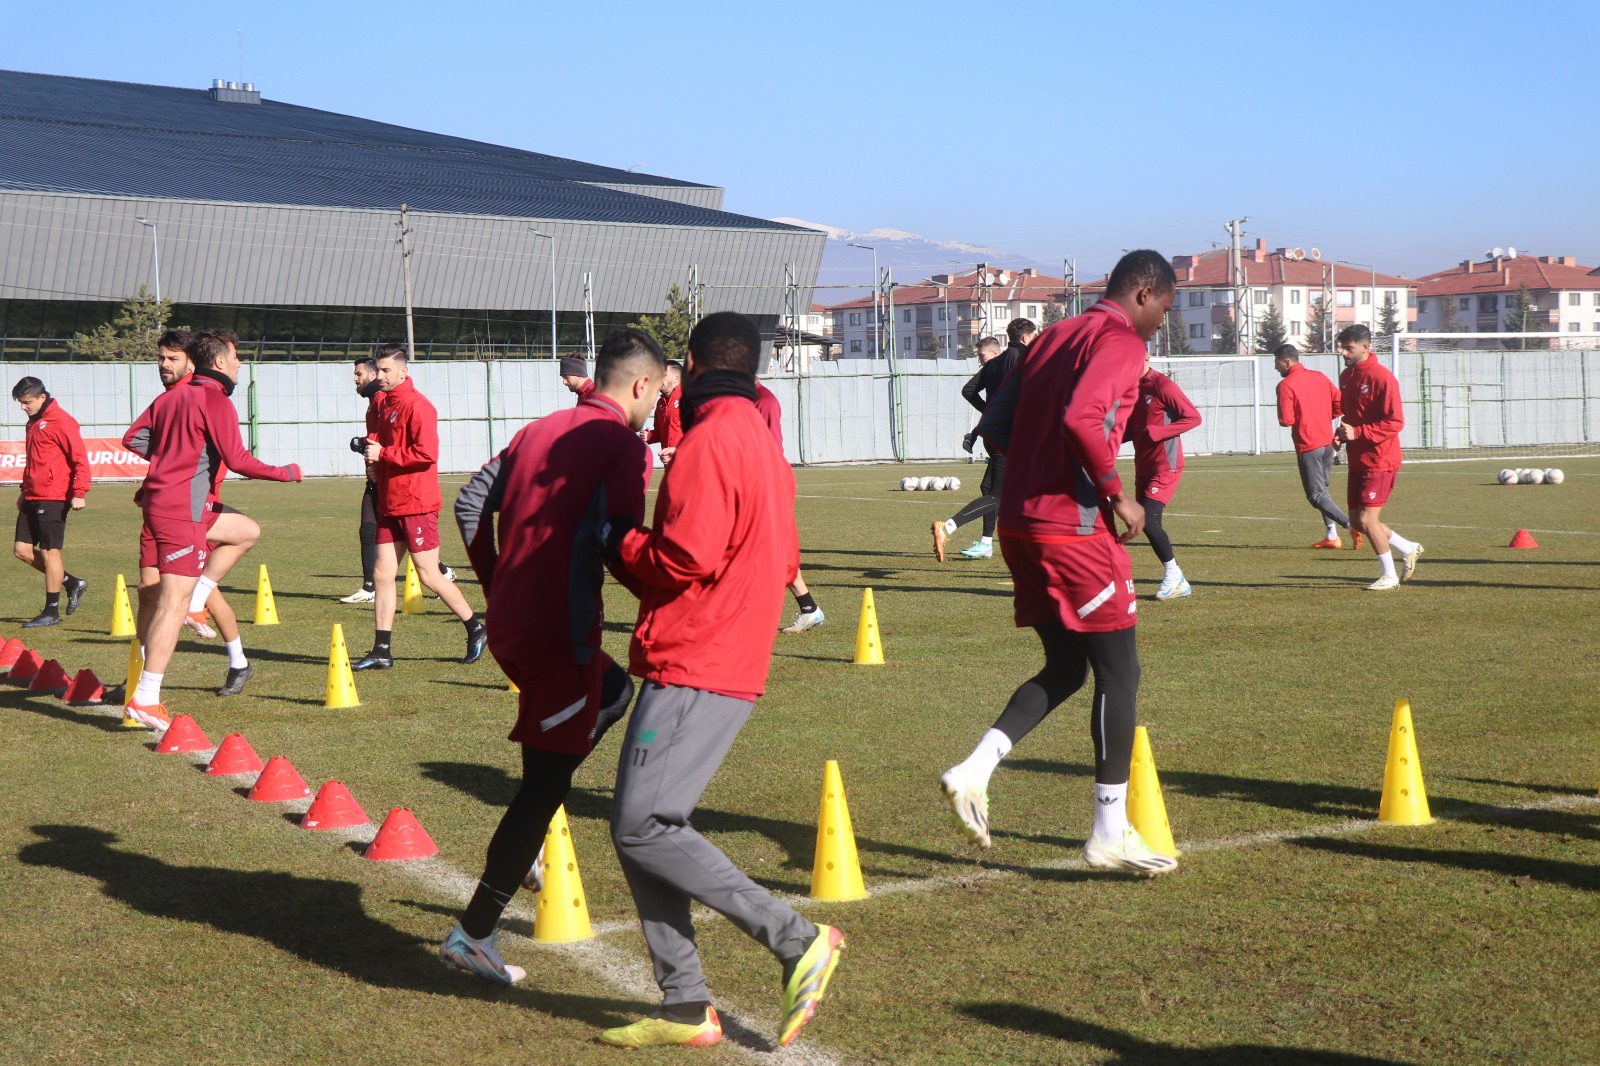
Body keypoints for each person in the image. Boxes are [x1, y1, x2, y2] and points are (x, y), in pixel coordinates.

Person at [599, 311, 844, 1050]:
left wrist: (616, 539)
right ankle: (684, 1005)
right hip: (723, 650)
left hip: (698, 654)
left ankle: (795, 938)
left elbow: (684, 557)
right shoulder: (761, 441)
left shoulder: (711, 440)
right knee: (641, 825)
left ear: (695, 369)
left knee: (643, 824)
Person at [938, 249, 1179, 876]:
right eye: (1164, 310)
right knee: (1120, 674)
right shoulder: (1120, 341)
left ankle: (975, 768)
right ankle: (1107, 832)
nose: (1160, 325)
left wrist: (1043, 465)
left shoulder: (1052, 337)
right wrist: (1114, 491)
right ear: (1145, 294)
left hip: (1019, 520)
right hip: (1070, 531)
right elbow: (1081, 417)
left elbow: (996, 424)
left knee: (1069, 665)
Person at [439, 328, 663, 986]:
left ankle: (524, 846)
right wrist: (669, 598)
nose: (656, 407)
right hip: (555, 635)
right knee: (542, 787)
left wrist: (495, 581)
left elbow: (469, 501)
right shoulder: (621, 445)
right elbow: (620, 542)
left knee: (615, 693)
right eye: (659, 392)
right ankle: (473, 934)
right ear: (642, 384)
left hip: (516, 623)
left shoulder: (537, 429)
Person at [121, 329, 303, 728]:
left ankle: (198, 600)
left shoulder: (172, 397)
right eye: (237, 357)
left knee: (247, 531)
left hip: (168, 504)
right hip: (180, 511)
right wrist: (286, 473)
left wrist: (171, 459)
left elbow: (138, 438)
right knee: (170, 604)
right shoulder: (213, 398)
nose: (240, 364)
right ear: (219, 362)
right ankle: (146, 697)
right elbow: (239, 460)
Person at [109, 331, 245, 704]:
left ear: (191, 362)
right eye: (161, 358)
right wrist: (170, 456)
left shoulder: (203, 396)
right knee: (148, 594)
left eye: (172, 359)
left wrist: (179, 462)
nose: (164, 365)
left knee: (197, 593)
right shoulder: (169, 399)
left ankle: (238, 660)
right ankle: (137, 678)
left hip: (194, 509)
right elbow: (133, 438)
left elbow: (227, 455)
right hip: (160, 508)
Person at [353, 344, 486, 670]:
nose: (379, 376)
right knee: (382, 573)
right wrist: (374, 465)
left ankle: (476, 627)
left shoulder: (418, 406)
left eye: (385, 370)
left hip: (417, 503)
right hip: (390, 501)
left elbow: (426, 454)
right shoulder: (384, 406)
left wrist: (383, 456)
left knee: (428, 574)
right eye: (377, 370)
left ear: (403, 372)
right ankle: (382, 650)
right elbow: (384, 449)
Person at [339, 356, 460, 606]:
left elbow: (417, 451)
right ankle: (374, 598)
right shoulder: (377, 403)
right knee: (372, 534)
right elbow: (377, 439)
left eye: (359, 374)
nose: (355, 379)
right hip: (385, 477)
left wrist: (379, 458)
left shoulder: (391, 401)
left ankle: (472, 622)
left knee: (420, 566)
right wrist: (371, 460)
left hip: (404, 487)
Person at [932, 320, 1037, 561]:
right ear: (1025, 338)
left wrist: (988, 413)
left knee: (989, 488)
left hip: (991, 434)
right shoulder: (1025, 360)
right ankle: (948, 527)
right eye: (1034, 336)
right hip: (1012, 436)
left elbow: (969, 390)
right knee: (1003, 493)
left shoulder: (994, 363)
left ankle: (986, 542)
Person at [1336, 325, 1422, 590]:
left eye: (1348, 348)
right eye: (1341, 347)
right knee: (1355, 521)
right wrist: (1341, 433)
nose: (1343, 353)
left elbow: (1395, 422)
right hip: (1358, 458)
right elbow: (1351, 416)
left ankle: (1389, 576)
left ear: (1365, 347)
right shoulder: (1347, 376)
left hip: (1380, 459)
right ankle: (1407, 547)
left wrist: (1358, 431)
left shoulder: (1382, 378)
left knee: (1367, 520)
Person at [11, 376, 89, 627]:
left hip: (54, 496)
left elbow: (80, 459)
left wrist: (80, 492)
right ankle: (72, 582)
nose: (24, 407)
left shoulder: (62, 421)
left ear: (42, 397)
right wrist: (25, 491)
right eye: (21, 403)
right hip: (33, 495)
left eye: (27, 402)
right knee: (21, 551)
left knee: (49, 552)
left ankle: (50, 611)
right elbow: (33, 460)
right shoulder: (33, 422)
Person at [751, 379, 826, 634]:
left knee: (770, 551)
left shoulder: (764, 401)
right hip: (751, 482)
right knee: (767, 551)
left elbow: (769, 448)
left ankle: (807, 609)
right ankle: (809, 608)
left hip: (766, 482)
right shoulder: (742, 400)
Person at [1128, 355, 1201, 600]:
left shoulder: (1163, 385)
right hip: (1143, 466)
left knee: (1148, 519)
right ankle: (1175, 578)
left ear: (1145, 358)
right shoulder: (1132, 388)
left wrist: (1160, 432)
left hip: (1165, 466)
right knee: (1140, 523)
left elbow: (1193, 417)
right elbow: (1133, 428)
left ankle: (1174, 575)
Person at [1273, 343, 1356, 549]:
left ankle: (1351, 526)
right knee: (1323, 491)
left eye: (1276, 364)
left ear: (1286, 362)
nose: (1276, 368)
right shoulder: (1319, 376)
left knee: (1316, 496)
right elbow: (1339, 403)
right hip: (1327, 442)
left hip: (1308, 444)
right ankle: (1331, 536)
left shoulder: (1286, 385)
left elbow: (1286, 420)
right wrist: (1323, 416)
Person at [643, 359, 683, 465]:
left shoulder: (688, 398)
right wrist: (649, 436)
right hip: (669, 465)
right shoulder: (661, 403)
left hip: (689, 464)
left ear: (676, 379)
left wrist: (677, 450)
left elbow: (698, 435)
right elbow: (660, 433)